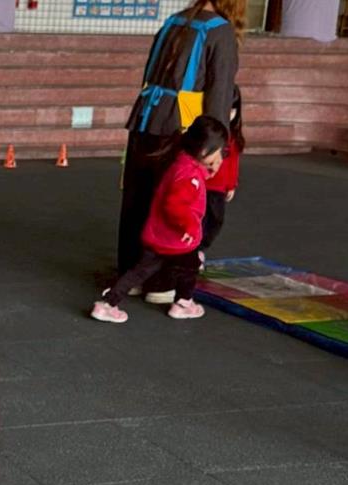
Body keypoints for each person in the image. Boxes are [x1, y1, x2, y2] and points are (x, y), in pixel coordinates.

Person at [117, 0, 245, 297]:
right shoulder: (220, 31)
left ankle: (130, 276)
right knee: (176, 202)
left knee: (138, 200)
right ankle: (161, 283)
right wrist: (216, 147)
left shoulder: (174, 21)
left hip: (146, 117)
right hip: (181, 127)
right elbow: (220, 94)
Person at [92, 115, 228, 324]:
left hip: (160, 236)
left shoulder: (183, 164)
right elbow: (175, 206)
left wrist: (205, 172)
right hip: (177, 240)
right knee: (189, 267)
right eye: (218, 152)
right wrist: (190, 227)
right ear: (203, 150)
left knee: (139, 272)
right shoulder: (188, 175)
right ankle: (183, 303)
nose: (220, 158)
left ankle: (108, 304)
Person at [201, 85, 243, 257]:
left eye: (233, 110)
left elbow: (234, 162)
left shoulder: (233, 136)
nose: (229, 114)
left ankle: (200, 247)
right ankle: (195, 250)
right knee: (199, 218)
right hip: (204, 184)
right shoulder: (209, 133)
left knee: (216, 220)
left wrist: (232, 184)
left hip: (219, 187)